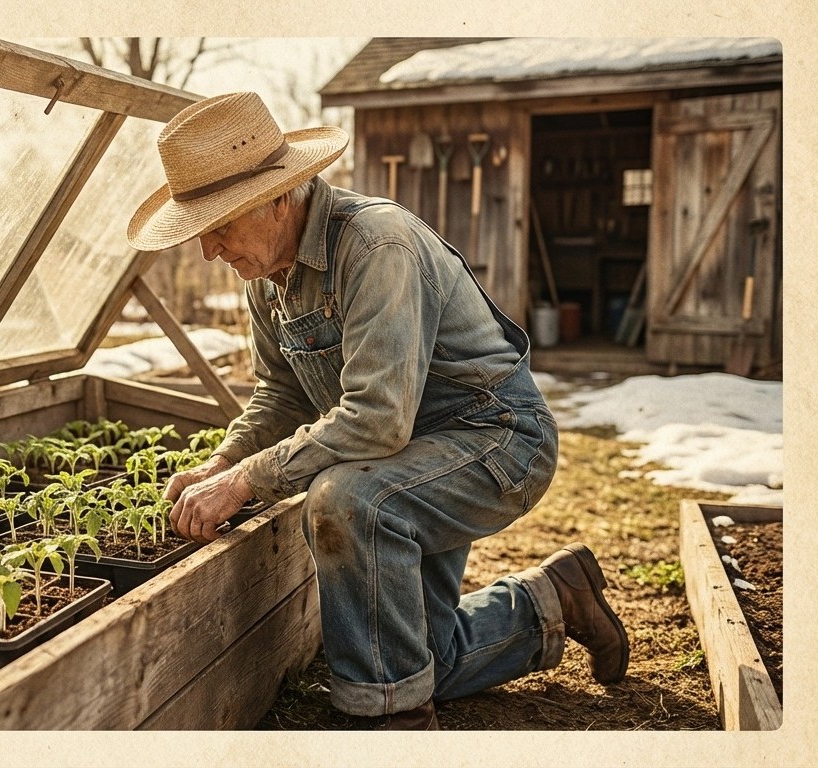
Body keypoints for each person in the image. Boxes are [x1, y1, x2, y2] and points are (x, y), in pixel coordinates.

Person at [127, 92, 629, 730]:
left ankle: (392, 728)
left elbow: (376, 419)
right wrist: (224, 460)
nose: (208, 251)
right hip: (404, 463)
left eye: (220, 226)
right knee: (415, 660)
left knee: (343, 501)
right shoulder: (268, 281)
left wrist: (246, 481)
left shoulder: (374, 246)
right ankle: (556, 601)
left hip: (496, 443)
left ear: (279, 197)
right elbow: (280, 395)